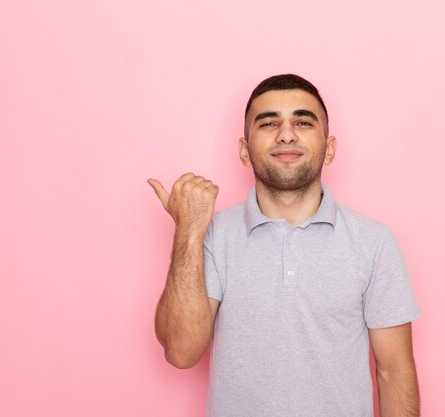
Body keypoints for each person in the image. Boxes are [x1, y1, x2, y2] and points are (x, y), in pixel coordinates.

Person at [148, 74, 420, 417]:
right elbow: (181, 352)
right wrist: (188, 229)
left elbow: (394, 371)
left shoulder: (374, 242)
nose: (286, 134)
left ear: (330, 147)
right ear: (245, 152)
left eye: (303, 122)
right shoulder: (212, 235)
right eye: (268, 123)